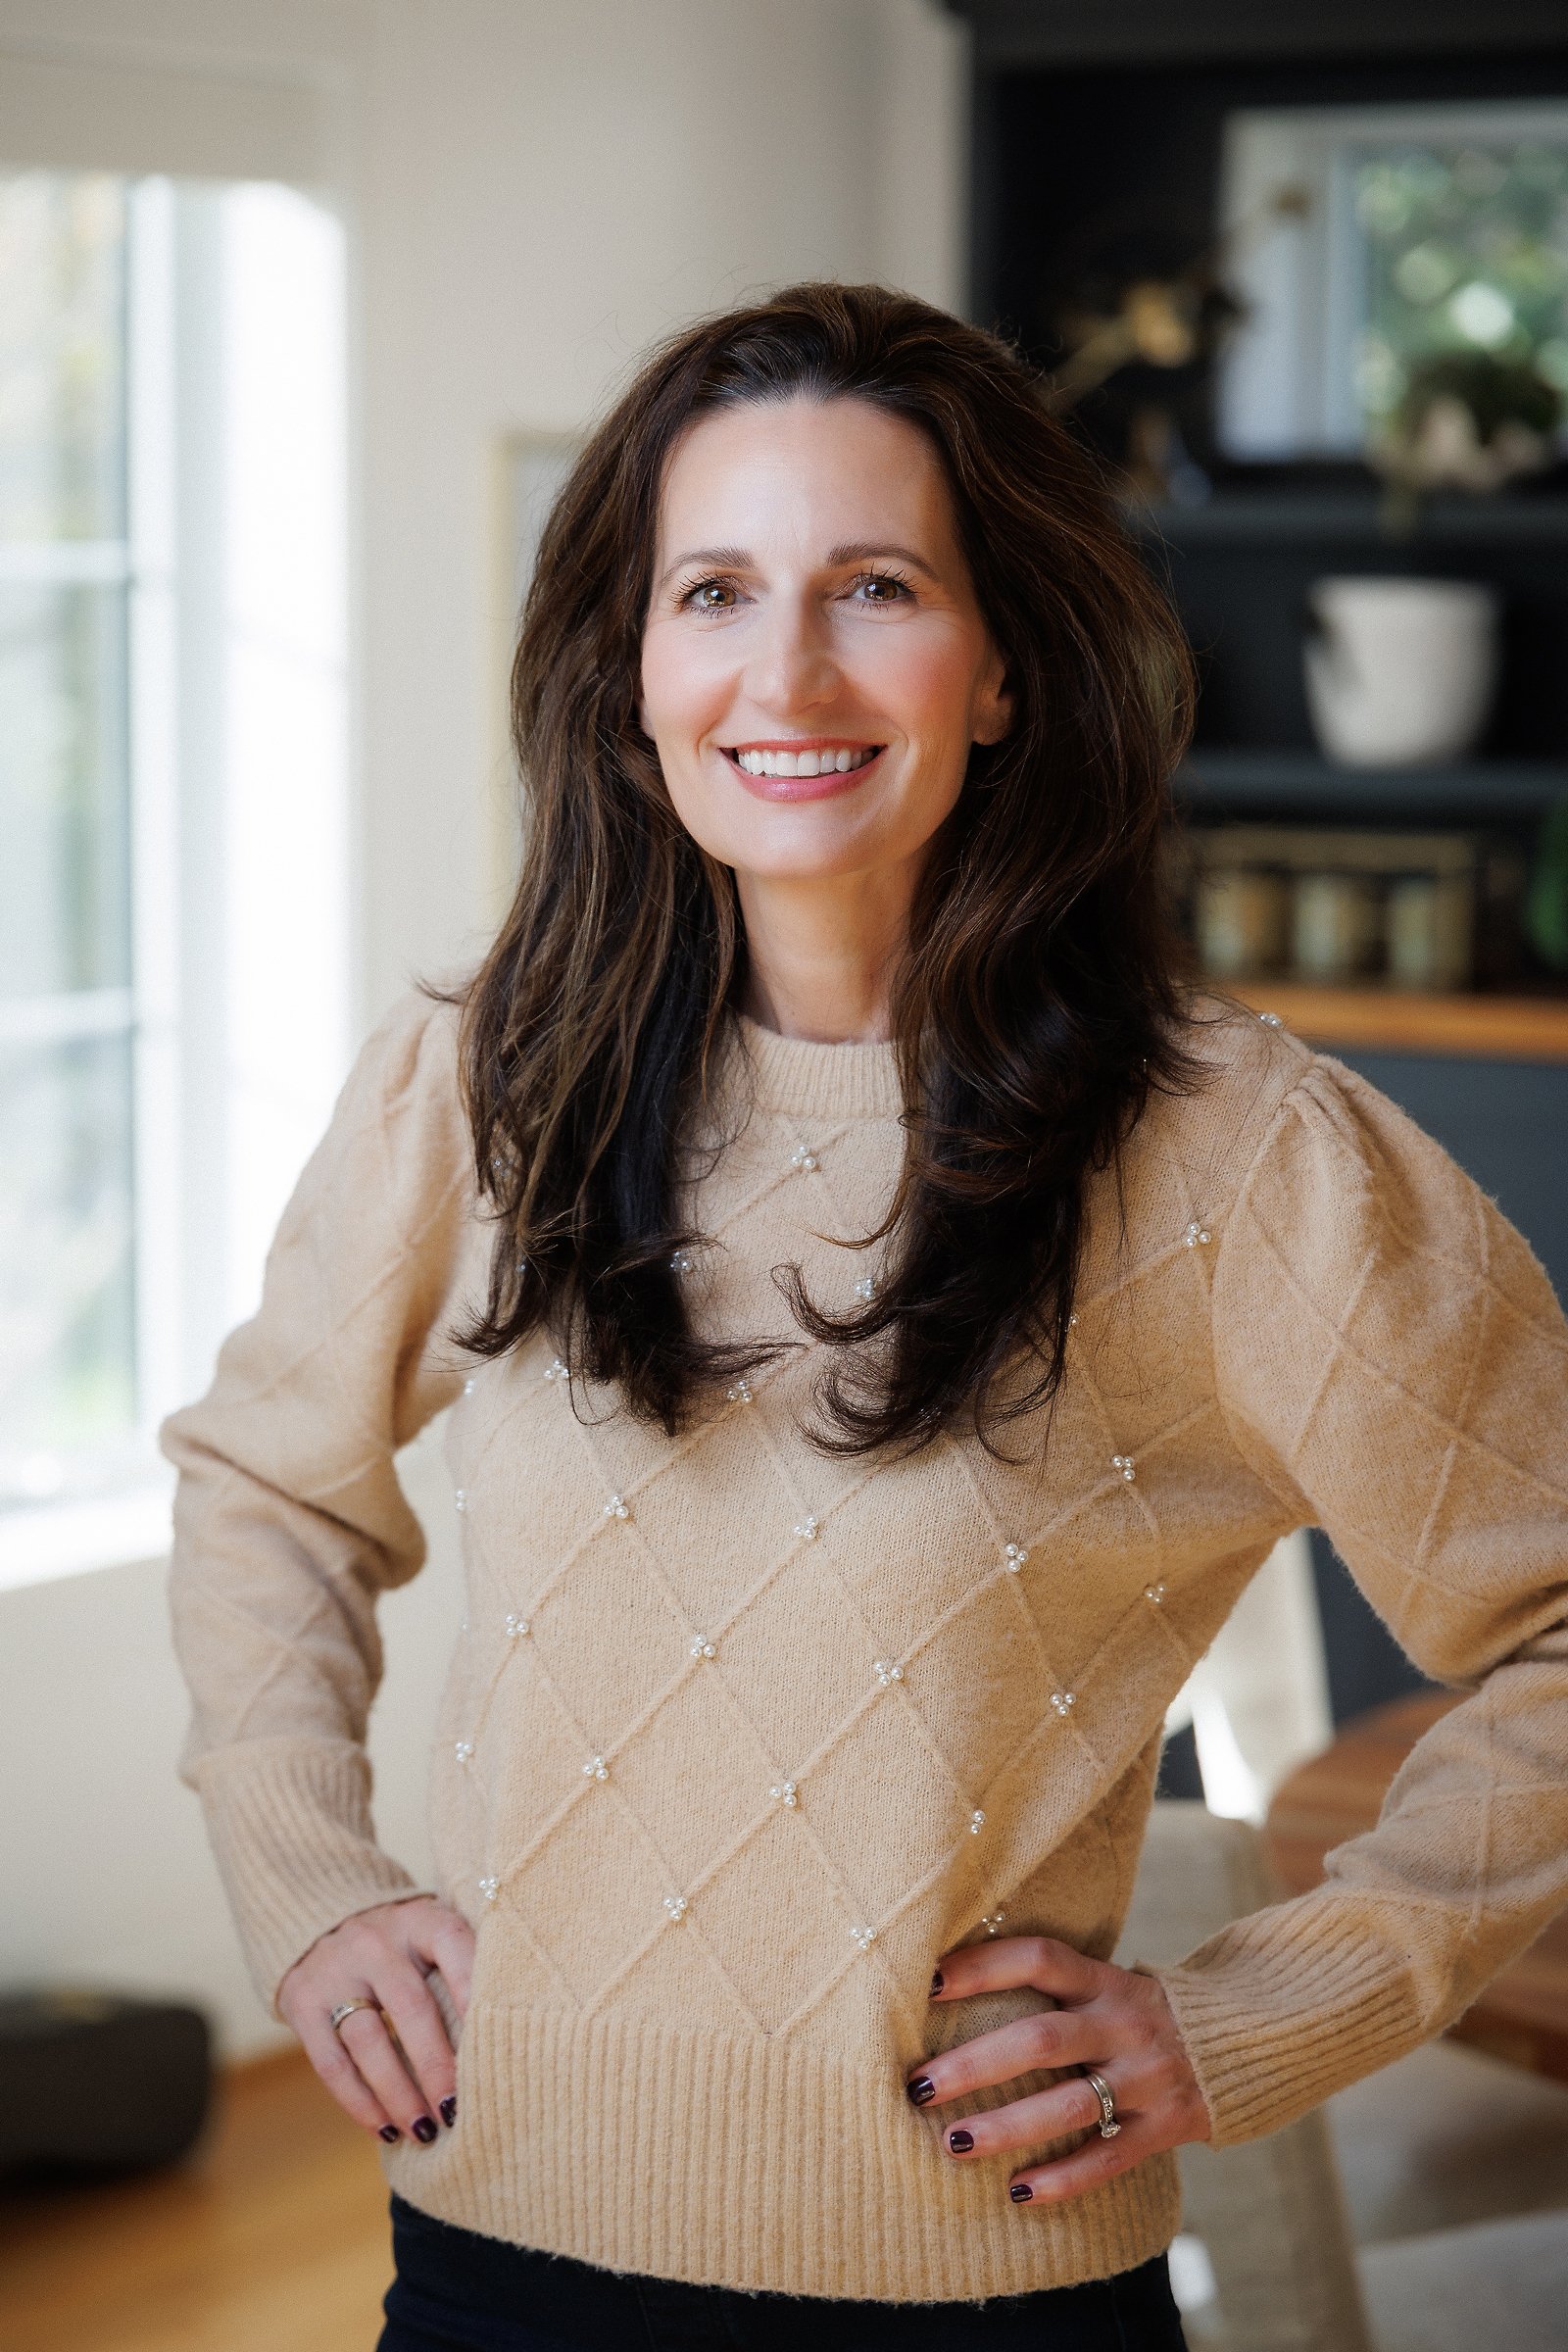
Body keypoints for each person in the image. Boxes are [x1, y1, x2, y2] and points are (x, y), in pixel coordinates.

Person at [164, 283, 1568, 2351]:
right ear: (631, 670)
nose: (784, 670)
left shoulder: (1244, 1160)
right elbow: (258, 1482)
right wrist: (309, 1878)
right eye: (712, 590)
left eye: (874, 587)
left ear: (998, 665)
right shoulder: (481, 1082)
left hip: (975, 2284)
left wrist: (1266, 2008)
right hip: (487, 2256)